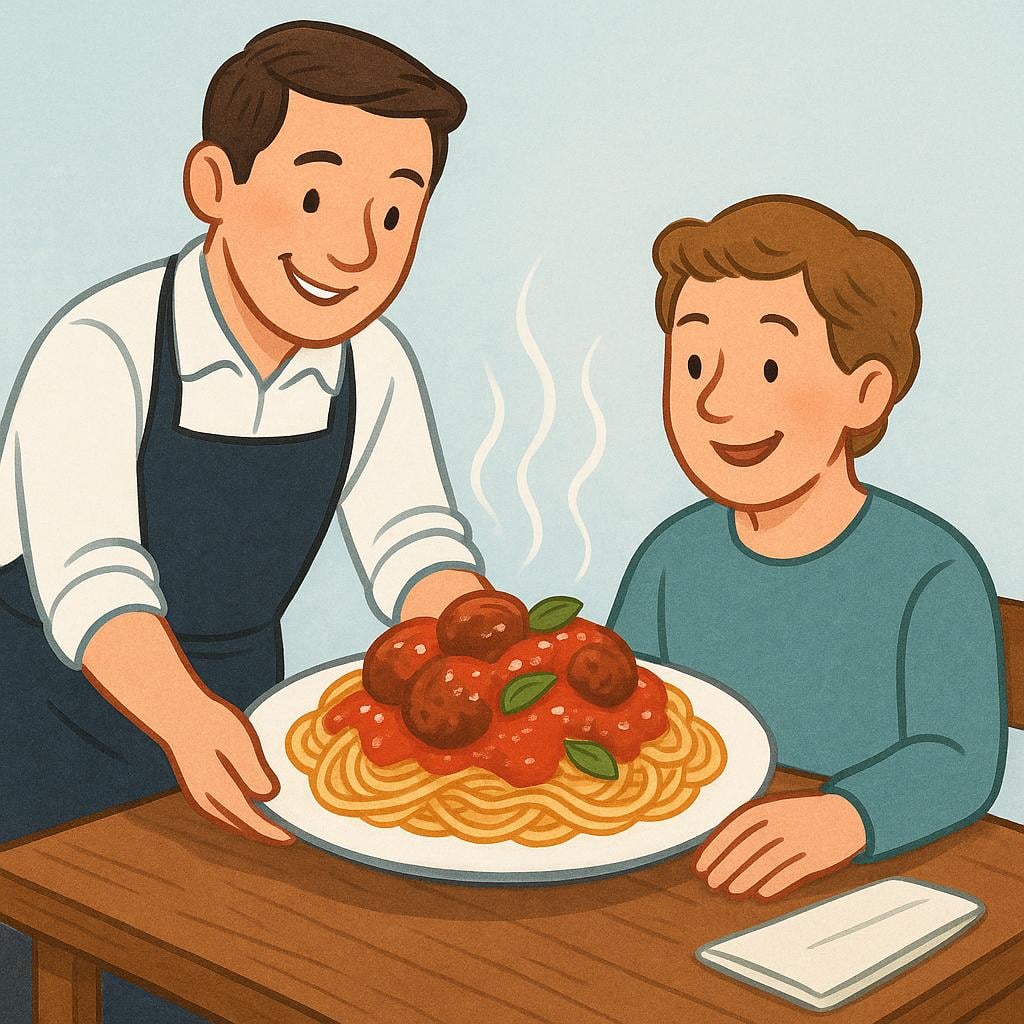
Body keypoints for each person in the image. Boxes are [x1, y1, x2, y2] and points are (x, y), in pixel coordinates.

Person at [0, 21, 488, 1022]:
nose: (353, 249)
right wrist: (181, 717)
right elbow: (93, 576)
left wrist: (489, 644)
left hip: (237, 720)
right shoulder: (103, 345)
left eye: (396, 216)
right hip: (43, 738)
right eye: (315, 195)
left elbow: (415, 547)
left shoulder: (374, 364)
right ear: (212, 182)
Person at [609, 195, 1006, 900]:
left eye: (767, 369)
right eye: (696, 360)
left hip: (869, 885)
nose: (716, 402)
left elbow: (959, 758)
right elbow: (622, 711)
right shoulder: (671, 556)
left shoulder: (931, 569)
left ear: (867, 393)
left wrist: (847, 817)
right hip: (684, 876)